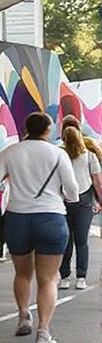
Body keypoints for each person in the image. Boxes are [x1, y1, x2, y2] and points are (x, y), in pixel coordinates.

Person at [0, 112, 75, 343]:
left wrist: (12, 190)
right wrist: (64, 197)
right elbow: (72, 189)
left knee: (22, 273)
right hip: (51, 217)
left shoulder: (11, 151)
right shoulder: (58, 154)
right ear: (47, 130)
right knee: (48, 278)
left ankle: (23, 316)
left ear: (26, 128)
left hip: (18, 217)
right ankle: (43, 331)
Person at [64, 122, 99, 291]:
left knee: (66, 240)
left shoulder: (60, 155)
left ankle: (64, 277)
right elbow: (98, 181)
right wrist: (99, 200)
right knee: (81, 241)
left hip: (63, 201)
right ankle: (81, 277)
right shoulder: (90, 155)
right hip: (84, 200)